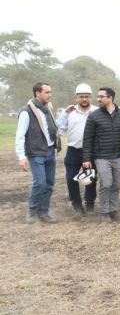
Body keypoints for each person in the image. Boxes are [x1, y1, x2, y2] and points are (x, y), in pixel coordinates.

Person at [16, 82, 60, 223]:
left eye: (50, 92)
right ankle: (32, 211)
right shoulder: (26, 112)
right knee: (40, 183)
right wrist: (21, 157)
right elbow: (20, 135)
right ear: (37, 93)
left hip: (50, 150)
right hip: (36, 153)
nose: (50, 95)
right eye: (47, 92)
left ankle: (43, 212)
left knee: (49, 183)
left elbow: (54, 127)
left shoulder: (49, 108)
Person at [82, 87, 120, 223]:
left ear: (110, 98)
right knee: (106, 183)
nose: (99, 99)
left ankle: (113, 211)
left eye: (102, 96)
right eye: (98, 96)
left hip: (118, 156)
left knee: (116, 184)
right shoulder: (94, 116)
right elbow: (87, 138)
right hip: (101, 157)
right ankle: (104, 212)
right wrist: (86, 158)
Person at [56, 83, 97, 217]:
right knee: (71, 179)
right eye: (81, 97)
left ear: (91, 97)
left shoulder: (96, 112)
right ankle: (77, 205)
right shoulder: (70, 113)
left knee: (90, 179)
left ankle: (90, 204)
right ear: (76, 98)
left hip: (91, 152)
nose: (84, 99)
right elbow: (58, 130)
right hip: (73, 151)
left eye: (86, 97)